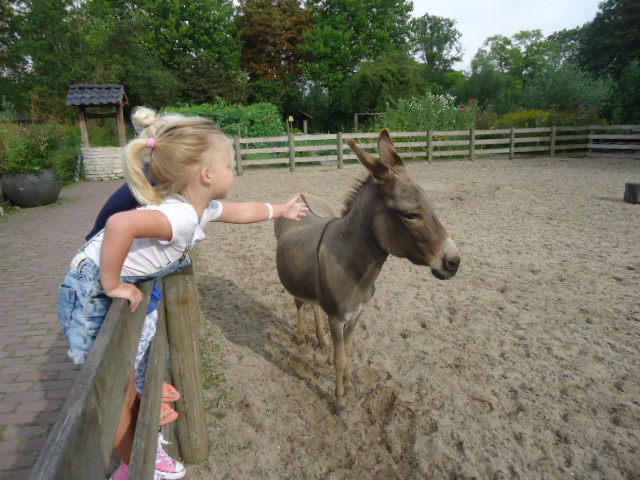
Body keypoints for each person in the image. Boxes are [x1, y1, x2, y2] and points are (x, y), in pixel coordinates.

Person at [58, 108, 307, 480]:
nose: (233, 171)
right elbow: (118, 223)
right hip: (92, 290)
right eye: (230, 165)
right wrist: (112, 283)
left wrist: (280, 210)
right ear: (207, 175)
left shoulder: (197, 208)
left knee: (132, 366)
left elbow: (241, 210)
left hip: (106, 281)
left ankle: (148, 399)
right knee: (114, 391)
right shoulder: (181, 217)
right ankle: (138, 465)